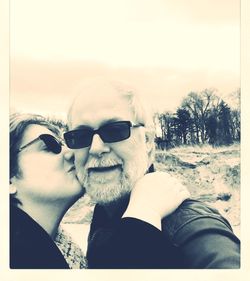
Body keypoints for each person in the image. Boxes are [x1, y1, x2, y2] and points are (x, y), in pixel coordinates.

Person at [65, 77, 241, 269]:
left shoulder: (190, 227)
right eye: (81, 136)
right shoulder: (105, 215)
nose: (96, 148)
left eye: (115, 130)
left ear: (148, 142)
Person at [10, 112, 190, 269]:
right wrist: (142, 218)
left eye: (65, 143)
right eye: (50, 146)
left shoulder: (65, 250)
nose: (71, 153)